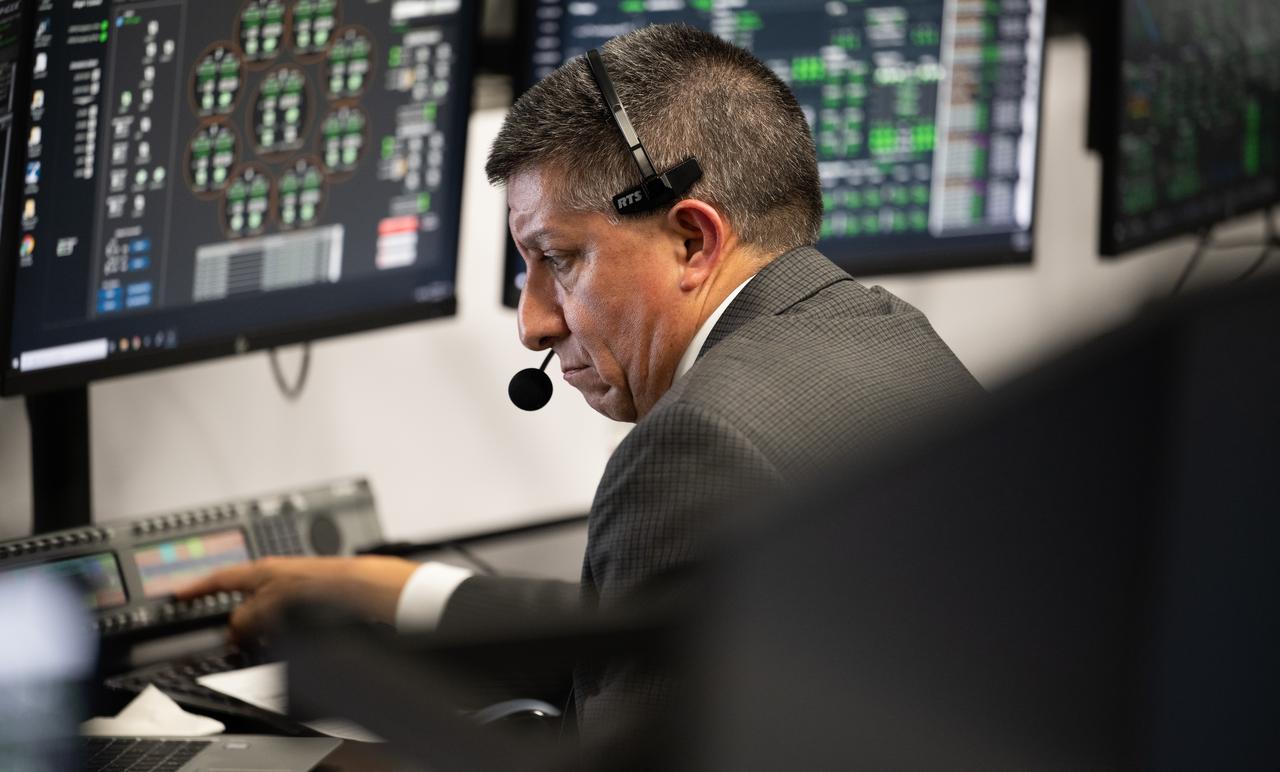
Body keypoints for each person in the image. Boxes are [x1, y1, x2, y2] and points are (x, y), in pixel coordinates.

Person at [178, 23, 981, 750]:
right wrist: (396, 591)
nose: (533, 325)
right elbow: (658, 632)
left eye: (557, 260)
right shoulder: (884, 333)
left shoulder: (696, 443)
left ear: (692, 239)